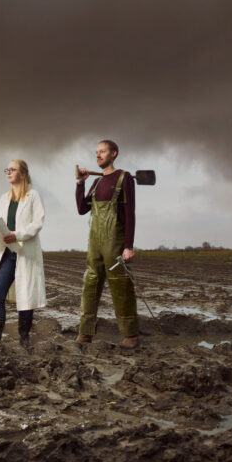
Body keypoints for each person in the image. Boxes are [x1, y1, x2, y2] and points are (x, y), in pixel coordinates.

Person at [75, 139, 139, 348]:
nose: (98, 155)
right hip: (94, 243)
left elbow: (130, 213)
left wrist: (128, 245)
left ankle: (130, 335)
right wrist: (80, 183)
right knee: (90, 284)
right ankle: (85, 332)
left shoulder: (124, 178)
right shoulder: (95, 183)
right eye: (96, 153)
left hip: (115, 242)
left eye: (102, 151)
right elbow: (81, 209)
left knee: (121, 285)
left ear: (114, 154)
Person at [0, 159, 46, 346]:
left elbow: (37, 223)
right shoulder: (4, 198)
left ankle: (24, 338)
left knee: (25, 296)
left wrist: (17, 234)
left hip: (25, 252)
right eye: (7, 170)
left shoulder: (33, 196)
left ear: (23, 174)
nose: (8, 172)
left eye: (12, 169)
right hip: (7, 252)